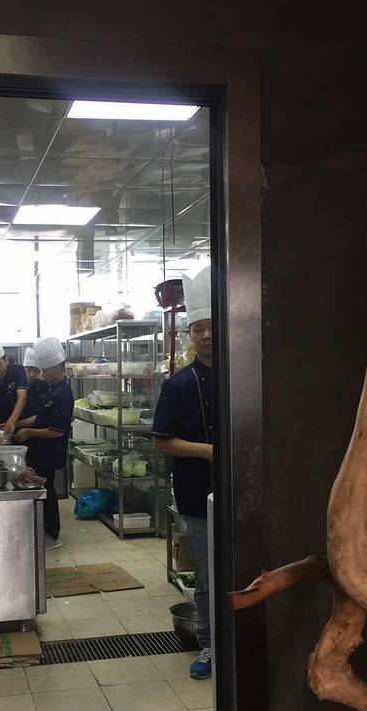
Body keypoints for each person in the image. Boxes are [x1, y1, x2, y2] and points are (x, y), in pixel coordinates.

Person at [152, 266, 214, 680]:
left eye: (211, 327)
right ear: (190, 335)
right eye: (198, 329)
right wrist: (207, 451)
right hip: (196, 492)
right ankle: (210, 644)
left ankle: (244, 641)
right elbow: (162, 441)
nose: (206, 335)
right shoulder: (177, 385)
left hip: (244, 489)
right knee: (207, 574)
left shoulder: (242, 376)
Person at [14, 337, 74, 550]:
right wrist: (16, 423)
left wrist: (28, 432)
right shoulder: (52, 388)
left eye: (46, 371)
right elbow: (41, 417)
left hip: (51, 449)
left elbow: (56, 431)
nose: (44, 374)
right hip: (42, 447)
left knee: (47, 489)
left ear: (59, 367)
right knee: (44, 487)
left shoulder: (64, 394)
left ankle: (53, 534)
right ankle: (46, 529)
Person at [22, 346, 48, 419]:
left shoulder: (45, 386)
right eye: (28, 370)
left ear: (39, 372)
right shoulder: (18, 386)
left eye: (35, 371)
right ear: (23, 370)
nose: (32, 375)